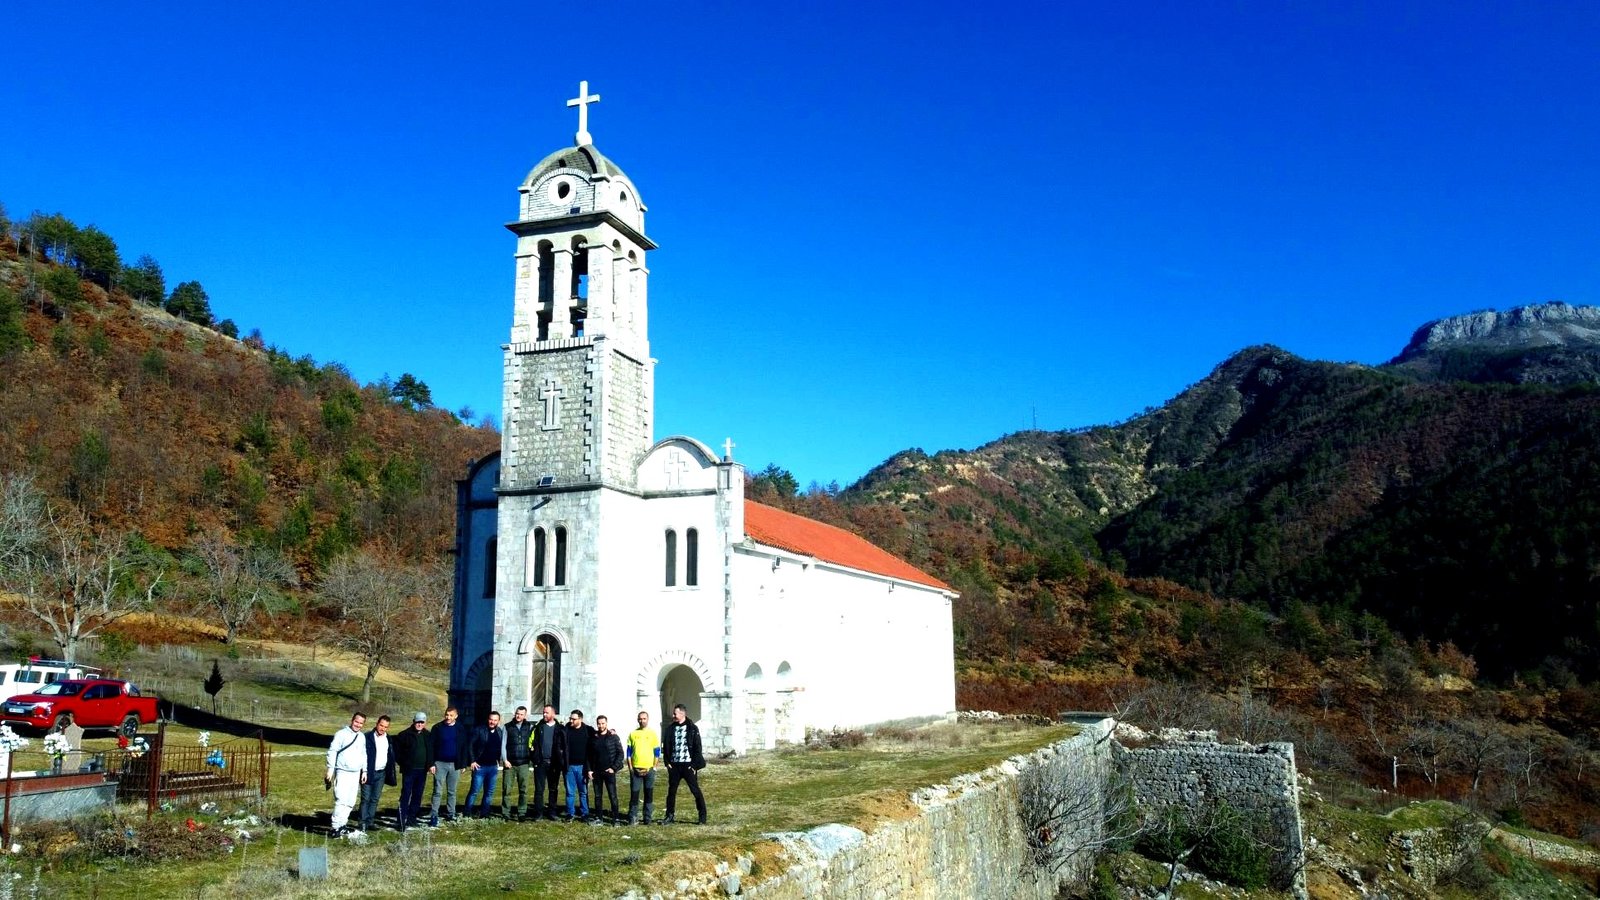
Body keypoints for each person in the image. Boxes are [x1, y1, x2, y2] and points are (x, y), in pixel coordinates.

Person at [661, 703, 707, 824]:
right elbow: (665, 747)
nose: (673, 715)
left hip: (688, 765)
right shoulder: (670, 729)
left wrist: (694, 766)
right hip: (674, 766)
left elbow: (698, 748)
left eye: (675, 713)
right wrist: (667, 763)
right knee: (671, 792)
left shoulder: (692, 728)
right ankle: (669, 816)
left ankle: (702, 816)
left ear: (682, 714)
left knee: (695, 790)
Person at [391, 711, 435, 830]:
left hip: (422, 771)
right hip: (409, 771)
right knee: (405, 794)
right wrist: (403, 763)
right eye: (417, 722)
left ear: (425, 723)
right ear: (413, 722)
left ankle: (411, 818)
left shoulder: (427, 735)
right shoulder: (404, 735)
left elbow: (430, 751)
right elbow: (397, 752)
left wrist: (431, 764)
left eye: (422, 722)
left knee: (417, 795)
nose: (419, 724)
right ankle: (401, 820)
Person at [324, 712, 366, 836]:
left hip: (356, 773)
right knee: (341, 799)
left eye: (361, 723)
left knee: (350, 801)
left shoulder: (362, 737)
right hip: (343, 771)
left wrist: (365, 771)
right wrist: (330, 770)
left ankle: (343, 824)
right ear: (352, 720)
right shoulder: (341, 734)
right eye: (356, 722)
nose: (358, 725)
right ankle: (335, 827)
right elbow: (332, 751)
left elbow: (364, 754)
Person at [429, 706, 469, 826]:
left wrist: (463, 764)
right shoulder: (437, 728)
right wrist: (431, 763)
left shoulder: (460, 728)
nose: (448, 717)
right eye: (447, 715)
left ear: (456, 716)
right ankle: (434, 815)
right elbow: (431, 747)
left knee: (452, 791)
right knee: (437, 790)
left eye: (451, 715)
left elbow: (463, 747)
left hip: (455, 764)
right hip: (440, 763)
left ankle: (451, 813)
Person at [464, 710, 506, 818]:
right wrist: (472, 761)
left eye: (495, 720)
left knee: (489, 792)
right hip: (480, 766)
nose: (492, 722)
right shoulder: (479, 730)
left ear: (498, 721)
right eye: (491, 719)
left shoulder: (499, 732)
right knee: (474, 791)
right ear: (488, 719)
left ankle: (484, 813)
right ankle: (467, 813)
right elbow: (470, 745)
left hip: (493, 767)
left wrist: (499, 761)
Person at [358, 714, 396, 832]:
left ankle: (370, 821)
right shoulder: (367, 737)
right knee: (366, 798)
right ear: (377, 724)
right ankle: (362, 823)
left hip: (381, 773)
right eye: (381, 725)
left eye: (385, 727)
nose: (382, 728)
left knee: (375, 799)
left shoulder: (388, 739)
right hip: (368, 772)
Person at [529, 704, 566, 820]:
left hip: (554, 764)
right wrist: (534, 758)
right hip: (540, 763)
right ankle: (538, 813)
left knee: (553, 789)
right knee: (539, 790)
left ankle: (552, 812)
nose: (544, 714)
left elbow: (565, 745)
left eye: (547, 713)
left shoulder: (560, 729)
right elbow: (530, 743)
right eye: (543, 712)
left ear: (553, 714)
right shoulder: (538, 727)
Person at [625, 709, 661, 825]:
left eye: (644, 718)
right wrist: (630, 768)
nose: (642, 721)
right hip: (635, 770)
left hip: (649, 769)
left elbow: (657, 752)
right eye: (640, 719)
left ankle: (647, 817)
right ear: (637, 720)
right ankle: (633, 817)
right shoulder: (633, 734)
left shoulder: (652, 734)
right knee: (634, 794)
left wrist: (654, 767)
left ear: (648, 719)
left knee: (648, 793)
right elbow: (629, 752)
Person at [589, 714, 624, 824]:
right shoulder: (593, 737)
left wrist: (614, 768)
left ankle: (616, 819)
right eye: (599, 724)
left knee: (613, 796)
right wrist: (589, 769)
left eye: (603, 723)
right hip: (597, 772)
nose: (601, 725)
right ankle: (599, 818)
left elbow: (620, 754)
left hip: (609, 772)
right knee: (598, 796)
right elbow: (589, 755)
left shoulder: (613, 737)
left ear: (606, 724)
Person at [501, 705, 534, 820]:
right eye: (517, 713)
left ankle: (522, 812)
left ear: (525, 715)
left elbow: (532, 742)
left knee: (523, 789)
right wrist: (505, 760)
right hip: (510, 763)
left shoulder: (529, 726)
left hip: (524, 763)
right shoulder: (507, 727)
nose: (518, 716)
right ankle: (506, 812)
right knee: (507, 789)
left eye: (521, 714)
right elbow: (503, 745)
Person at [562, 709, 595, 820]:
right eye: (570, 718)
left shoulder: (588, 730)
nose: (571, 720)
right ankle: (570, 813)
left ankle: (584, 813)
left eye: (574, 719)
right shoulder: (566, 730)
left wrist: (611, 732)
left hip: (583, 767)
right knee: (570, 792)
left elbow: (599, 734)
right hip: (569, 766)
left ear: (580, 719)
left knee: (583, 792)